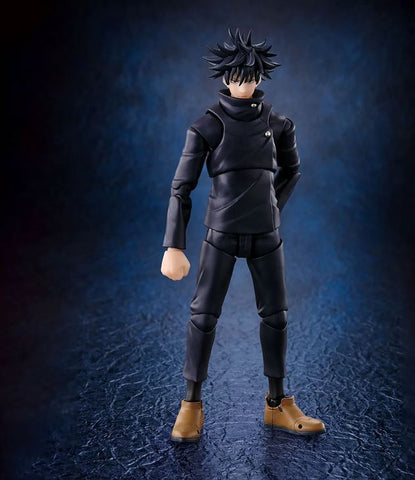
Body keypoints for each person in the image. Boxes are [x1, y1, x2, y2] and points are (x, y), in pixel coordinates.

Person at [161, 28, 326, 442]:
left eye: (251, 76)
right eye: (237, 76)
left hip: (266, 236)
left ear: (260, 77)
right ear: (225, 77)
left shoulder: (279, 124)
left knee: (276, 316)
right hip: (220, 234)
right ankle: (191, 404)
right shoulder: (207, 126)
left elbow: (292, 171)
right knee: (203, 316)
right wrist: (174, 245)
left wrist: (273, 208)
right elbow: (181, 188)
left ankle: (278, 403)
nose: (245, 83)